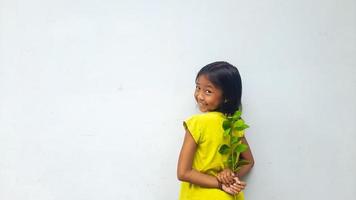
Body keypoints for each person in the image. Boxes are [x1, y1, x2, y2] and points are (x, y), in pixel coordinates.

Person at [177, 61, 254, 200]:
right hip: (229, 196)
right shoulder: (234, 125)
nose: (200, 95)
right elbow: (249, 161)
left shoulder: (197, 123)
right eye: (198, 87)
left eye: (208, 91)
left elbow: (183, 172)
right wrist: (231, 177)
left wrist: (220, 183)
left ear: (227, 97)